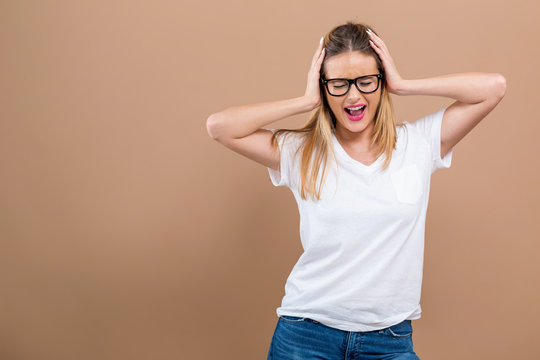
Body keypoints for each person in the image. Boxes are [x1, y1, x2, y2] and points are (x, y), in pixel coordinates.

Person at [206, 21, 506, 360]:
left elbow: (493, 87)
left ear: (381, 82)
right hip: (307, 334)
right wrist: (305, 101)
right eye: (338, 84)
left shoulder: (418, 144)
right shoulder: (301, 151)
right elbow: (220, 127)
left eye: (366, 81)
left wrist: (403, 85)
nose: (353, 95)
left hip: (388, 340)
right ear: (324, 88)